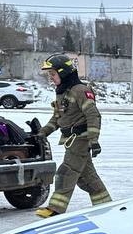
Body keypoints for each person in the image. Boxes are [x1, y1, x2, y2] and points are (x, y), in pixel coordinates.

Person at [35, 56, 110, 217]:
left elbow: (93, 115)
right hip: (70, 140)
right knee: (87, 178)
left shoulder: (80, 91)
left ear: (64, 73)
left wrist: (94, 140)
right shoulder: (62, 92)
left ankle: (55, 209)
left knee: (65, 172)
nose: (51, 78)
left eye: (53, 74)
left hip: (80, 139)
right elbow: (57, 118)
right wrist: (42, 132)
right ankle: (105, 206)